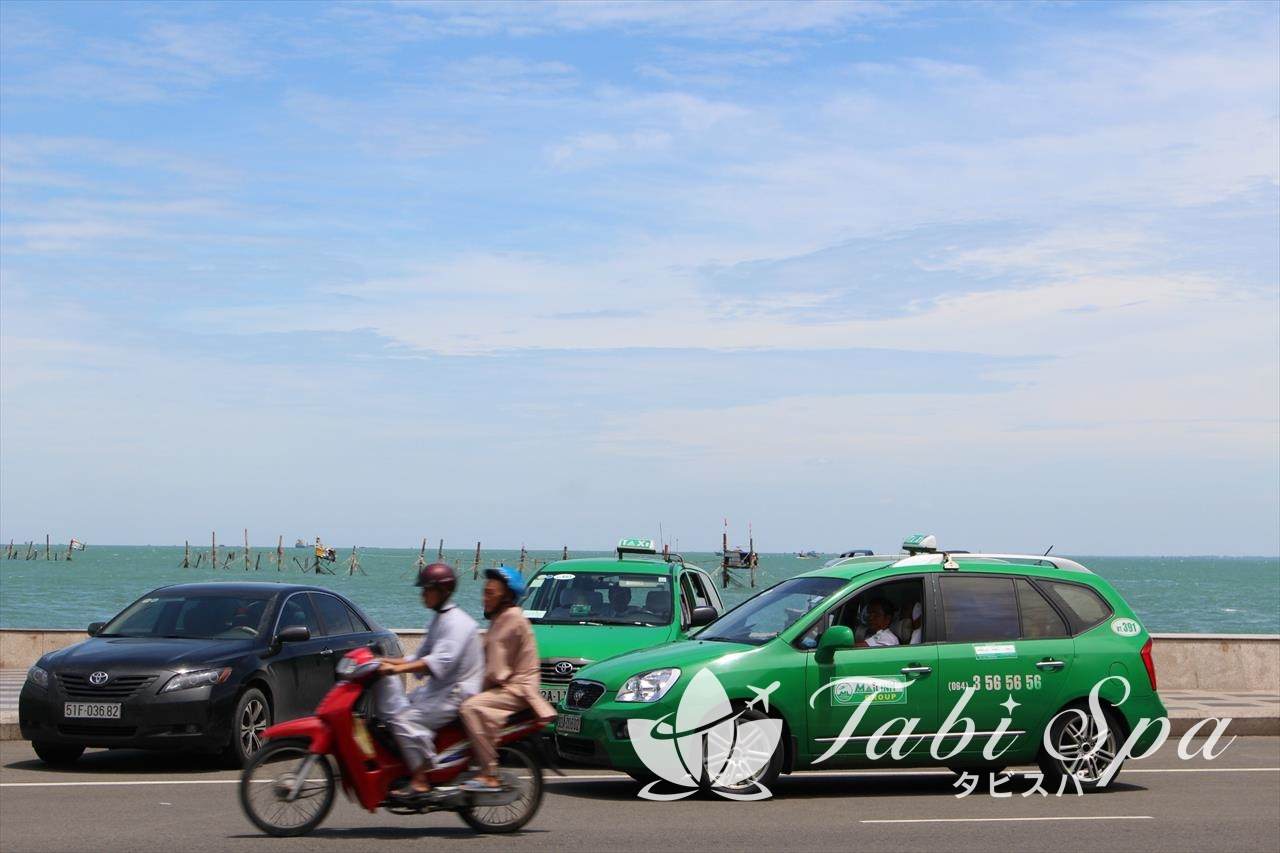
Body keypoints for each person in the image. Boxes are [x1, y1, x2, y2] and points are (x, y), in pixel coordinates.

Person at [374, 562, 483, 797]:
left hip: (457, 693)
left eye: (427, 589)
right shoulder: (439, 619)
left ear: (442, 591)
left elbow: (438, 662)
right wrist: (380, 661)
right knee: (393, 716)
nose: (423, 594)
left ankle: (421, 779)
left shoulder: (457, 623)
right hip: (440, 689)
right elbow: (419, 657)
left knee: (405, 721)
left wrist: (394, 670)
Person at [458, 566, 556, 792]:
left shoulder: (511, 619)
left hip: (518, 689)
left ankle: (489, 773)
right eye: (485, 592)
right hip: (509, 686)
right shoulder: (501, 618)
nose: (485, 598)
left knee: (470, 708)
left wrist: (473, 689)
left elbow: (496, 671)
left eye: (491, 593)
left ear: (507, 596)